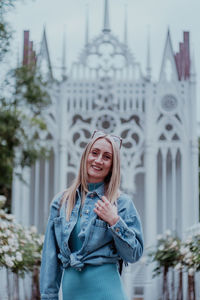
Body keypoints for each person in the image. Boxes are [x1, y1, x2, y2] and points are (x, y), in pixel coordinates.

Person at [40, 130, 144, 300]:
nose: (98, 160)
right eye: (94, 153)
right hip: (71, 292)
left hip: (108, 293)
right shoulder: (61, 202)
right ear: (86, 156)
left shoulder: (121, 203)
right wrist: (48, 296)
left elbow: (134, 254)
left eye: (107, 157)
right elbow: (50, 258)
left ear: (113, 165)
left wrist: (114, 221)